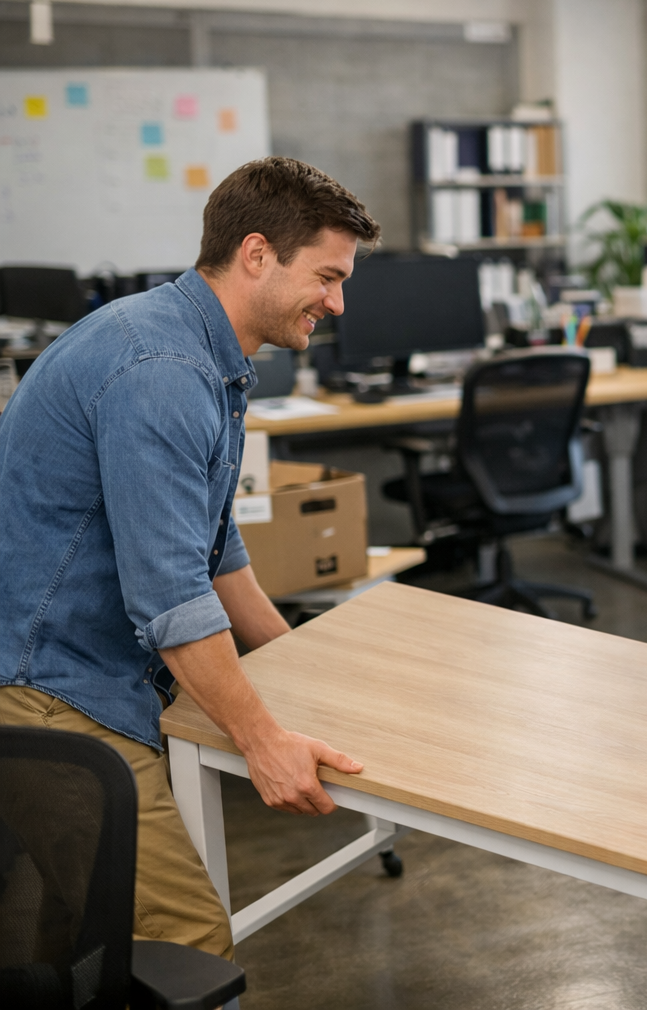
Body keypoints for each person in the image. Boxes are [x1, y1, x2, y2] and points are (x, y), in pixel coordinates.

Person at [0, 156, 382, 955]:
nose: (338, 302)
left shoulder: (186, 342)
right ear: (255, 255)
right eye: (327, 276)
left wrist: (295, 662)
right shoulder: (163, 371)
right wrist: (263, 742)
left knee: (84, 939)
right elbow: (172, 594)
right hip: (44, 689)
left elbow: (212, 543)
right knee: (186, 942)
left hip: (73, 669)